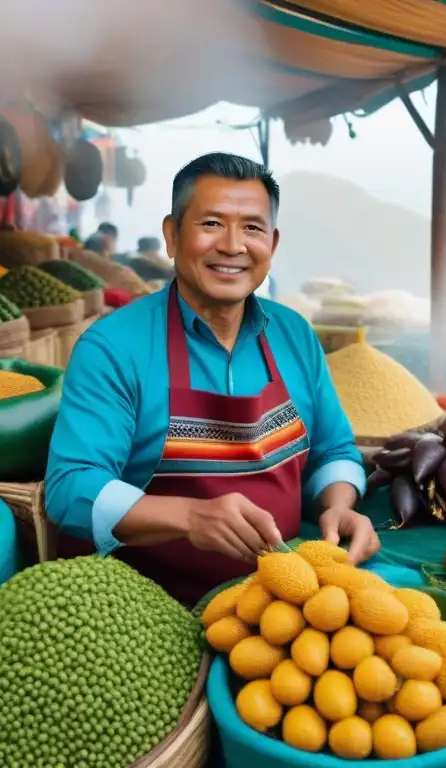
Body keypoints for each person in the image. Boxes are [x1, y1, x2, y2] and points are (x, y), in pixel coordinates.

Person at [45, 152, 378, 605]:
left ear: (273, 244)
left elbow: (334, 449)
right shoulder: (113, 348)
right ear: (171, 235)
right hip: (152, 610)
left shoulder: (294, 334)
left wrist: (339, 506)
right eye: (211, 224)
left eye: (252, 228)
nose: (233, 246)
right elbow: (71, 488)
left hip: (284, 604)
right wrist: (190, 516)